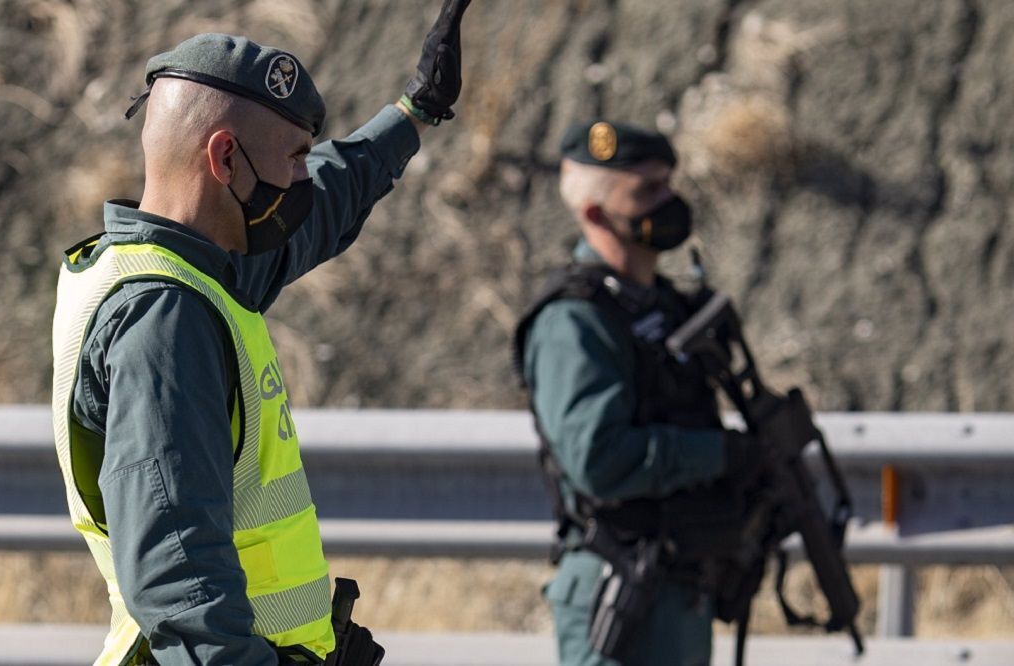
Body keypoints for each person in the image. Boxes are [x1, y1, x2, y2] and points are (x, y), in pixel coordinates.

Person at [49, 3, 470, 663]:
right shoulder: (165, 318)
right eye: (295, 157)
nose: (302, 177)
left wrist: (414, 112)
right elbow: (181, 582)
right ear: (225, 158)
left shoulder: (188, 271)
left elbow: (329, 195)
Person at [513, 121, 762, 666]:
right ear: (597, 213)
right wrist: (718, 454)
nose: (668, 201)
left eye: (668, 184)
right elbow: (599, 459)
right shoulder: (574, 321)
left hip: (679, 587)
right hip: (620, 591)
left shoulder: (667, 308)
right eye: (647, 191)